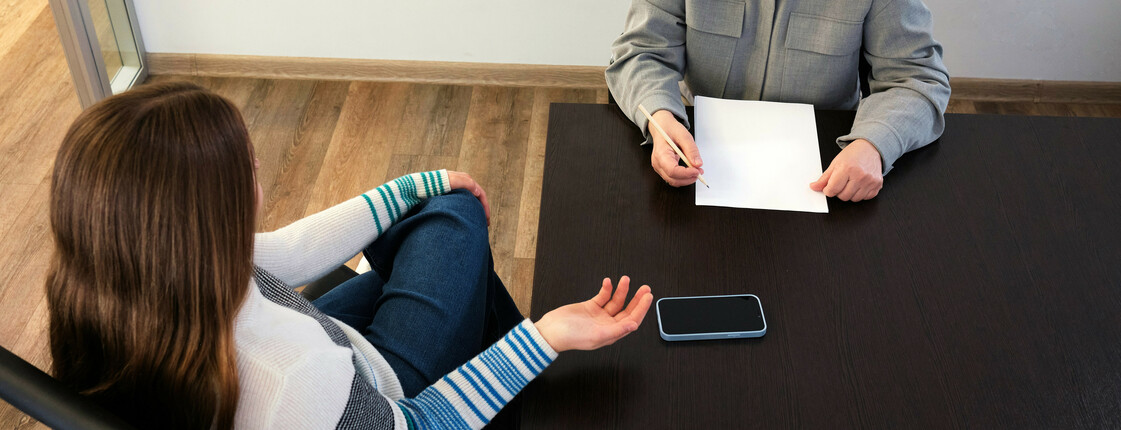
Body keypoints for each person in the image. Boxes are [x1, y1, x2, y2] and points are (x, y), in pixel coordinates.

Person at [46, 82, 653, 429]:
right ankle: (502, 378)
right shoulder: (291, 376)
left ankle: (485, 335)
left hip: (326, 350)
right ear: (205, 218)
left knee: (430, 207)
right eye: (244, 164)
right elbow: (418, 426)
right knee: (456, 217)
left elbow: (284, 252)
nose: (257, 164)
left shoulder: (133, 283)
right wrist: (545, 338)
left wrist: (415, 184)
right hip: (379, 389)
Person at [606, 0, 951, 202]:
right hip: (694, 159)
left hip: (832, 171)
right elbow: (641, 52)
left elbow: (917, 77)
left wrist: (875, 145)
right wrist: (660, 117)